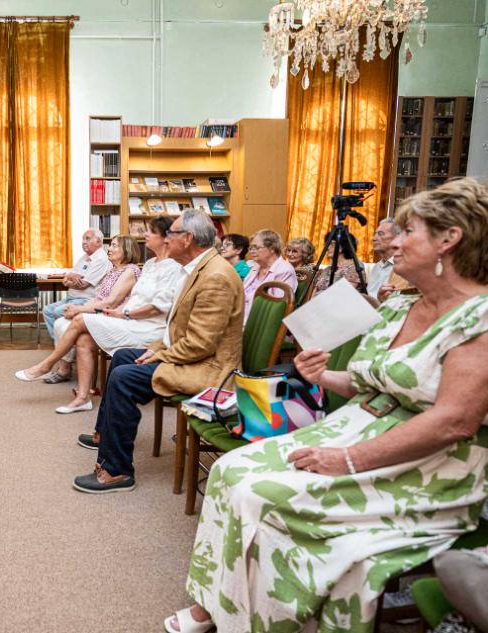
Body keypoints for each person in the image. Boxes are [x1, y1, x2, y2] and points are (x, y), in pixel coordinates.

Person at [166, 177, 488, 633]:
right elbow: (371, 384)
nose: (392, 243)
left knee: (262, 494)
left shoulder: (479, 317)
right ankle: (219, 604)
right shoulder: (400, 307)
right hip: (354, 428)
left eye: (408, 231)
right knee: (229, 471)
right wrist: (321, 377)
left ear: (449, 239)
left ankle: (259, 618)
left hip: (429, 464)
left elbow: (453, 421)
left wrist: (348, 459)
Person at [71, 210, 244, 491]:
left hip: (209, 369)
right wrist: (155, 348)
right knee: (123, 356)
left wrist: (159, 354)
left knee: (124, 377)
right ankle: (105, 437)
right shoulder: (197, 268)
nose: (165, 238)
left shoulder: (216, 277)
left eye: (171, 233)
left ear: (187, 239)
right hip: (189, 356)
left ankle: (116, 471)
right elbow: (177, 329)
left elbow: (201, 344)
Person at [15, 216, 183, 414]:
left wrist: (123, 313)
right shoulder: (149, 264)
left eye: (151, 231)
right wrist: (118, 313)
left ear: (165, 238)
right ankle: (82, 398)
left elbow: (157, 308)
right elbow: (132, 299)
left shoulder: (173, 267)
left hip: (146, 328)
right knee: (84, 340)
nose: (145, 234)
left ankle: (46, 365)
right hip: (129, 319)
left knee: (79, 319)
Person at [42, 235, 141, 405]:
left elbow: (111, 302)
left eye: (114, 246)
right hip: (100, 310)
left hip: (114, 315)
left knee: (69, 323)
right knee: (60, 322)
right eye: (110, 245)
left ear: (127, 250)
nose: (109, 249)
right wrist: (80, 305)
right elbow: (98, 297)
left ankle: (54, 365)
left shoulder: (130, 270)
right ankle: (67, 370)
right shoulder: (113, 270)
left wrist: (80, 309)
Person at [41, 229, 110, 343]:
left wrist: (70, 279)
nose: (83, 242)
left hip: (85, 300)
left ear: (98, 241)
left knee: (58, 311)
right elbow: (67, 277)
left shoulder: (101, 259)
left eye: (87, 239)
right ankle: (60, 342)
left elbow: (83, 284)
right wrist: (72, 276)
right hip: (72, 298)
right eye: (83, 239)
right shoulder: (84, 257)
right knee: (47, 310)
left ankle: (67, 343)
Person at [242, 229, 297, 321]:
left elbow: (277, 307)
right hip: (240, 316)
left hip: (257, 321)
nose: (252, 251)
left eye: (256, 247)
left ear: (272, 248)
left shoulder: (284, 270)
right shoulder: (256, 267)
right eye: (251, 248)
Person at [367, 218, 403, 301]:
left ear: (396, 238)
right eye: (375, 234)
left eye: (380, 234)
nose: (373, 238)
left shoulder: (403, 267)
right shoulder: (376, 267)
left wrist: (381, 300)